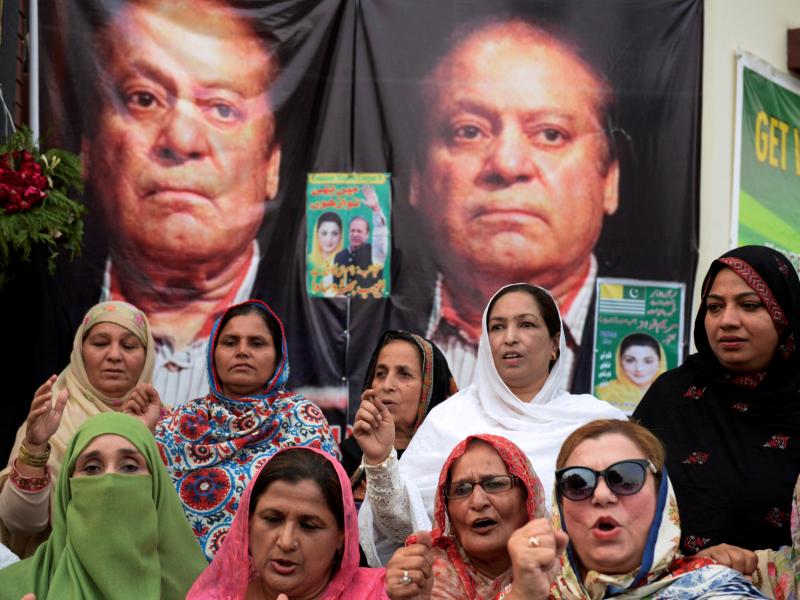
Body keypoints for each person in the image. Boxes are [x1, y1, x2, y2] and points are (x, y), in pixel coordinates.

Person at [69, 0, 283, 406]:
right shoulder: (39, 320)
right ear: (89, 149)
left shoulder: (316, 334)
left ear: (271, 166)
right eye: (144, 98)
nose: (181, 140)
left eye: (223, 108)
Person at [409, 17, 619, 393]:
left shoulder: (658, 349)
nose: (507, 164)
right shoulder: (355, 337)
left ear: (609, 182)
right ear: (418, 179)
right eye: (469, 131)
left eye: (550, 134)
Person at [356, 283, 624, 565]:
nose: (510, 338)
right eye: (497, 327)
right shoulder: (450, 419)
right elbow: (401, 527)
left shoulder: (596, 423)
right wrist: (380, 460)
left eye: (526, 325)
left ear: (555, 344)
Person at [142, 299, 340, 561]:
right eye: (230, 342)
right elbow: (145, 501)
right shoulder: (180, 423)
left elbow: (325, 510)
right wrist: (141, 432)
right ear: (213, 352)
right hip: (183, 577)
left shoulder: (302, 419)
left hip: (278, 575)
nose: (242, 351)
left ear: (278, 356)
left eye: (257, 343)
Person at [634, 245, 800, 556]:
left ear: (785, 314)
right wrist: (690, 565)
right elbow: (623, 502)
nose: (727, 320)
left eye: (749, 305)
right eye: (714, 307)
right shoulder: (671, 396)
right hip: (674, 578)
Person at [498, 419, 766, 599]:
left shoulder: (716, 591)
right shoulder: (529, 591)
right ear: (560, 505)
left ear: (662, 498)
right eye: (578, 483)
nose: (602, 496)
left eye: (625, 478)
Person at [0, 300, 156, 557]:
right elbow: (22, 524)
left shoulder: (167, 423)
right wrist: (35, 447)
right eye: (100, 343)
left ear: (147, 356)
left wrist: (142, 437)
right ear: (80, 351)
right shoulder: (51, 418)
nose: (114, 355)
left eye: (129, 346)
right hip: (58, 572)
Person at [0, 412, 207, 599]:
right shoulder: (12, 590)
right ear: (67, 489)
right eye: (92, 468)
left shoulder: (201, 591)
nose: (109, 482)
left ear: (157, 485)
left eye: (129, 467)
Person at [186, 446, 388, 599]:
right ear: (247, 523)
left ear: (341, 536)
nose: (286, 542)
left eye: (309, 526)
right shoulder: (216, 596)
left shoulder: (382, 593)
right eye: (272, 519)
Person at [385, 434, 557, 599]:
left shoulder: (564, 565)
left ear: (528, 496)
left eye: (495, 484)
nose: (478, 502)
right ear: (447, 509)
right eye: (461, 490)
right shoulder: (427, 575)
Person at [341, 330, 457, 503]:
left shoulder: (454, 463)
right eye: (380, 373)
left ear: (432, 388)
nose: (387, 385)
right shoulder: (347, 457)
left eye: (404, 374)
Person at [332, 185, 389, 296]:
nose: (355, 234)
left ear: (367, 235)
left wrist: (376, 208)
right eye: (352, 231)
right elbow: (336, 287)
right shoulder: (339, 256)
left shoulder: (376, 252)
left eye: (359, 231)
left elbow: (380, 232)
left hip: (370, 304)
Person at [596, 333, 666, 412]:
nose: (639, 368)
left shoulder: (670, 394)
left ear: (660, 362)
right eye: (630, 360)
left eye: (648, 361)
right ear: (620, 362)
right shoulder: (602, 393)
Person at [308, 211, 344, 296]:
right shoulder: (306, 262)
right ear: (316, 234)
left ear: (341, 236)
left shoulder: (346, 264)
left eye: (335, 234)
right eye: (324, 233)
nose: (329, 239)